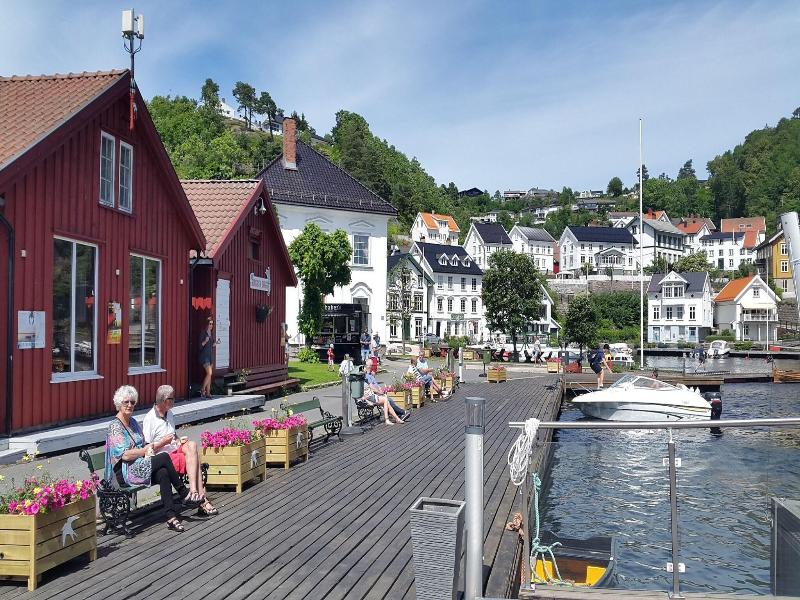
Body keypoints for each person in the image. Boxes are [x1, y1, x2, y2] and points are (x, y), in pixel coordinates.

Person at [105, 386, 198, 533]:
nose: (129, 405)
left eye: (132, 402)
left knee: (163, 473)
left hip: (139, 465)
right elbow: (125, 455)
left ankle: (171, 517)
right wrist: (145, 450)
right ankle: (184, 492)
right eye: (126, 402)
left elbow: (144, 444)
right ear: (118, 404)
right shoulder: (115, 427)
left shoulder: (133, 422)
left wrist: (151, 447)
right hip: (125, 472)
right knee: (164, 457)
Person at [142, 385, 218, 516]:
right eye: (172, 398)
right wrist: (162, 443)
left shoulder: (169, 413)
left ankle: (193, 492)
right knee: (195, 459)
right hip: (164, 458)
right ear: (165, 400)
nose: (175, 400)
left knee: (192, 445)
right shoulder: (150, 419)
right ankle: (202, 499)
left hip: (175, 451)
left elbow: (173, 435)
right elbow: (147, 449)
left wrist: (178, 441)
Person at [363, 358, 407, 424]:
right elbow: (372, 388)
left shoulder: (370, 375)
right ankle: (401, 413)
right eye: (370, 366)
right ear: (366, 366)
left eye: (372, 366)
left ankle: (398, 415)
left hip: (377, 393)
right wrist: (379, 392)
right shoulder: (366, 376)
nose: (371, 367)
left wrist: (380, 389)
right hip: (374, 394)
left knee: (389, 400)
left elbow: (376, 385)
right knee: (388, 400)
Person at [199, 317, 218, 398]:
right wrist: (205, 341)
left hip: (210, 356)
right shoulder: (203, 333)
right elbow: (200, 346)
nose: (211, 325)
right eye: (210, 324)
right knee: (209, 373)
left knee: (209, 375)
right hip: (204, 356)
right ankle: (202, 389)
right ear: (207, 324)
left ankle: (208, 393)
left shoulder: (211, 334)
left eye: (212, 324)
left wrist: (215, 344)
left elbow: (211, 345)